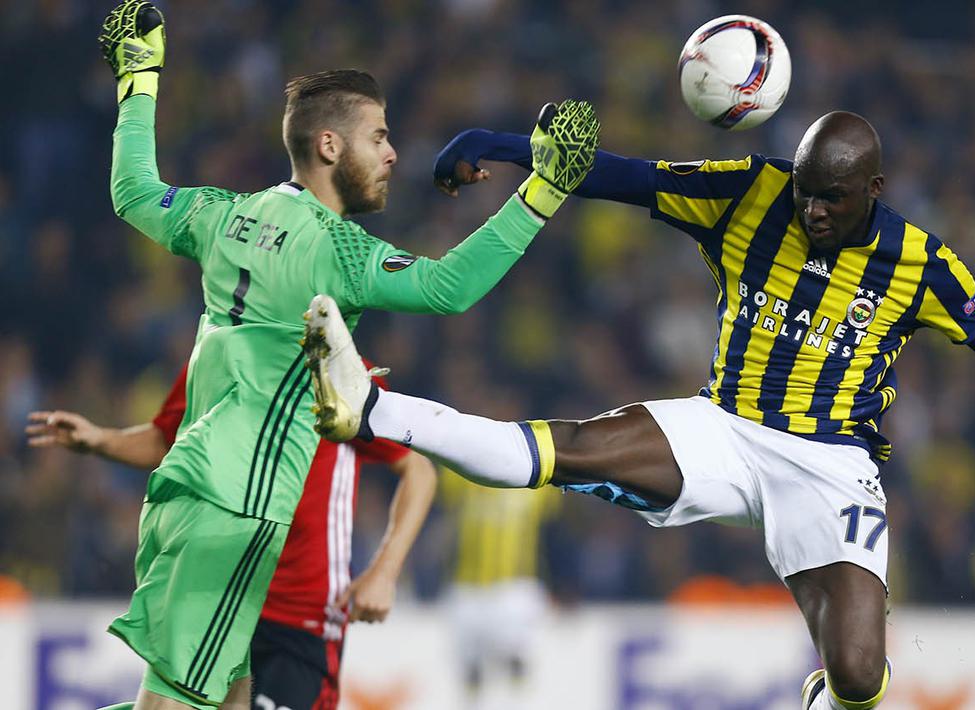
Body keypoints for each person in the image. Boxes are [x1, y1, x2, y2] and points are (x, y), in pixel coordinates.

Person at [304, 110, 975, 710]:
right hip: (724, 430)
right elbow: (624, 176)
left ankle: (830, 688)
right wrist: (498, 144)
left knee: (855, 677)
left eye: (832, 199)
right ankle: (371, 406)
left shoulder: (922, 263)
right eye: (807, 192)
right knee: (569, 449)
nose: (811, 210)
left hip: (831, 467)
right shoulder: (752, 194)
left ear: (874, 190)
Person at [95, 2, 599, 707]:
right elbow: (448, 288)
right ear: (330, 146)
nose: (393, 153)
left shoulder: (219, 213)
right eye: (379, 137)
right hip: (240, 503)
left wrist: (140, 79)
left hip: (199, 490)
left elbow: (134, 191)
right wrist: (541, 193)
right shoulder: (338, 249)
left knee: (231, 697)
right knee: (173, 703)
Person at [26, 362, 435, 710]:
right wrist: (100, 439)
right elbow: (169, 439)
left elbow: (417, 468)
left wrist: (384, 570)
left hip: (300, 616)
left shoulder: (336, 366)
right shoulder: (218, 354)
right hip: (219, 598)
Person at [438, 470, 559, 710]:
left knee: (519, 673)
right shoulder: (462, 469)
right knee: (471, 679)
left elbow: (556, 528)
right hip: (467, 588)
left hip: (516, 588)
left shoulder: (536, 471)